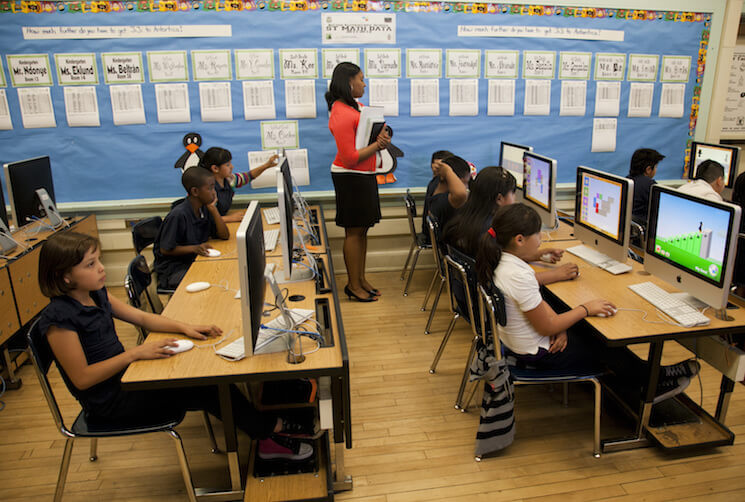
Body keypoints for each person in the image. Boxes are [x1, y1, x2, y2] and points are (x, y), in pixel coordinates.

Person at [37, 232, 316, 461]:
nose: (100, 268)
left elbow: (141, 317)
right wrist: (134, 353)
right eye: (90, 264)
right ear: (65, 277)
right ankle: (267, 434)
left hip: (128, 375)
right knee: (207, 385)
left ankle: (263, 428)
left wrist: (184, 326)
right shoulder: (58, 320)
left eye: (98, 260)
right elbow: (83, 379)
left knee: (206, 378)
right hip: (111, 400)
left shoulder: (96, 293)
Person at [475, 203, 700, 405]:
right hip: (540, 353)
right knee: (603, 341)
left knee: (582, 326)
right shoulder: (519, 275)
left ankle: (649, 377)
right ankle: (650, 384)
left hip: (523, 341)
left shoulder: (503, 262)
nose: (541, 238)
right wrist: (585, 309)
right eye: (537, 234)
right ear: (520, 240)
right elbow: (545, 326)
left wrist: (561, 326)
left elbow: (537, 304)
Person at [443, 166, 576, 284]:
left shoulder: (466, 218)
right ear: (499, 199)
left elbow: (496, 259)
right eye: (513, 194)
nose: (515, 199)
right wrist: (557, 274)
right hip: (486, 300)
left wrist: (537, 255)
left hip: (468, 294)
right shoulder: (490, 232)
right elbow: (509, 281)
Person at [325, 62, 391, 302]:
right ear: (349, 82)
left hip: (364, 175)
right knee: (353, 233)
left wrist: (380, 136)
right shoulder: (341, 112)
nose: (364, 84)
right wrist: (377, 145)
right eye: (361, 79)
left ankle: (360, 278)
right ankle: (353, 285)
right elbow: (350, 157)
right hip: (350, 177)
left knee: (362, 230)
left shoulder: (356, 106)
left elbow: (367, 135)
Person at [153, 167, 229, 290]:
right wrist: (194, 248)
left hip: (193, 260)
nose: (214, 192)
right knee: (212, 279)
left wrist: (213, 209)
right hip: (174, 269)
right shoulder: (178, 215)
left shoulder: (204, 208)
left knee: (221, 271)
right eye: (209, 188)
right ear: (195, 192)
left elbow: (224, 235)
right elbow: (165, 249)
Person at [199, 146, 279, 222]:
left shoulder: (229, 180)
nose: (232, 167)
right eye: (228, 165)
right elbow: (205, 219)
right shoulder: (207, 190)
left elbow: (249, 176)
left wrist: (266, 165)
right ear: (215, 168)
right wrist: (229, 218)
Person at [427, 155, 470, 233]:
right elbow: (461, 194)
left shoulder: (437, 195)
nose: (466, 187)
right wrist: (447, 171)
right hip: (448, 243)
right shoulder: (444, 200)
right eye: (465, 183)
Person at [422, 150, 454, 243]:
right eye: (436, 164)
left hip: (430, 231)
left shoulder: (433, 182)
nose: (437, 167)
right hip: (438, 236)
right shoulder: (441, 185)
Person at [627, 148, 665, 225]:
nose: (656, 170)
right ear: (648, 169)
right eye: (656, 167)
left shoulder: (628, 180)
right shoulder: (650, 186)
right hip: (643, 227)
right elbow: (662, 210)